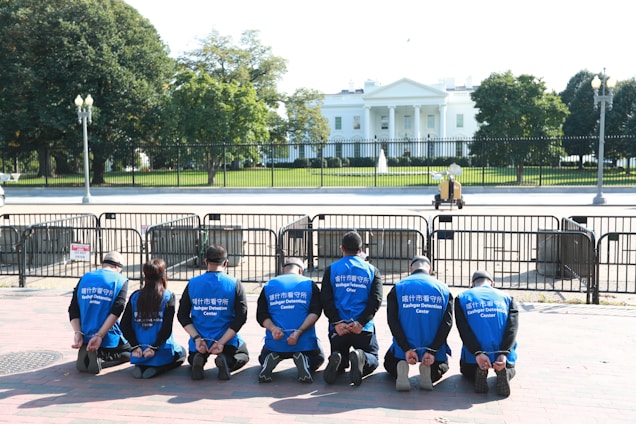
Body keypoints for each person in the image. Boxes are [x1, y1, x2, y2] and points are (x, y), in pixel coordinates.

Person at [177, 244, 249, 381]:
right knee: (242, 354)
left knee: (194, 355)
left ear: (205, 262)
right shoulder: (234, 283)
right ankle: (226, 361)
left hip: (200, 339)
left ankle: (197, 359)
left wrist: (197, 338)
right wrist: (221, 342)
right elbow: (241, 316)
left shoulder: (192, 283)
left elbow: (182, 315)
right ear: (226, 263)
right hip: (226, 338)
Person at [321, 231, 383, 386]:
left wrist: (336, 322)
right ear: (361, 250)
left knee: (339, 354)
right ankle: (362, 358)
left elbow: (326, 299)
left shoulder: (331, 270)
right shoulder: (372, 270)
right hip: (362, 328)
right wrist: (361, 322)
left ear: (341, 248)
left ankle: (339, 359)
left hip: (338, 328)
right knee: (373, 357)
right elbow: (376, 300)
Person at [384, 256, 453, 391]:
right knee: (442, 365)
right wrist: (432, 350)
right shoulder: (444, 289)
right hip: (433, 349)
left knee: (389, 363)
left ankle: (400, 369)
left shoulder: (398, 287)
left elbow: (392, 321)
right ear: (430, 270)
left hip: (404, 349)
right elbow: (447, 323)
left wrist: (406, 348)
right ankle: (430, 373)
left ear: (411, 269)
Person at [256, 257, 325, 384]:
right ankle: (306, 360)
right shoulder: (309, 284)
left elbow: (261, 315)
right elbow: (315, 312)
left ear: (283, 270)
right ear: (300, 271)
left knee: (263, 357)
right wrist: (299, 331)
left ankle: (272, 357)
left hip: (276, 341)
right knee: (319, 357)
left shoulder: (269, 285)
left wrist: (273, 329)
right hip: (304, 342)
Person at [455, 270, 519, 396]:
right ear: (492, 283)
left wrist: (478, 353)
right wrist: (503, 353)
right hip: (502, 353)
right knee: (511, 369)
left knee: (465, 370)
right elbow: (512, 328)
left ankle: (478, 371)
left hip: (474, 355)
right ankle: (504, 370)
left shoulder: (462, 298)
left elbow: (463, 330)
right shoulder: (508, 298)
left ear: (472, 284)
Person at [121, 258, 186, 379]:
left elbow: (124, 324)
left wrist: (135, 346)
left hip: (139, 351)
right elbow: (166, 328)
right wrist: (154, 347)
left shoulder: (135, 296)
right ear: (163, 276)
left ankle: (140, 366)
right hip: (159, 349)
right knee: (182, 353)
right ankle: (158, 368)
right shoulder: (168, 296)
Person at [68, 251, 131, 374]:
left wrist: (78, 332)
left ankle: (87, 353)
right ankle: (102, 358)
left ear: (103, 264)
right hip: (107, 336)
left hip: (85, 335)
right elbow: (117, 310)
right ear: (119, 267)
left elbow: (73, 309)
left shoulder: (85, 278)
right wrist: (100, 335)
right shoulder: (120, 280)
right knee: (130, 351)